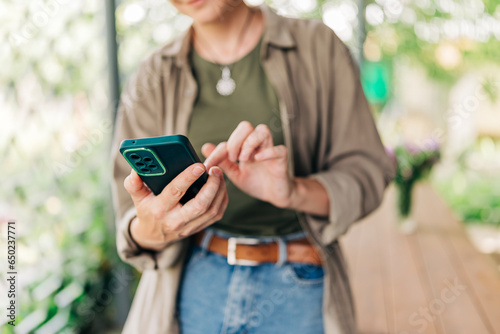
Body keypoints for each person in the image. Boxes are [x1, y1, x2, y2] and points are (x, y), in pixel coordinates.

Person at [111, 1, 395, 333]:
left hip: (299, 285)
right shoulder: (153, 74)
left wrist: (293, 191)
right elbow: (129, 215)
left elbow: (369, 170)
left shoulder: (318, 47)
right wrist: (153, 228)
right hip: (192, 282)